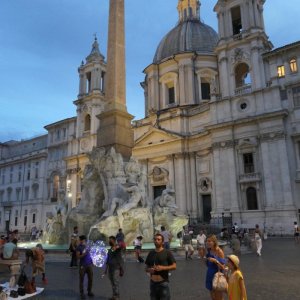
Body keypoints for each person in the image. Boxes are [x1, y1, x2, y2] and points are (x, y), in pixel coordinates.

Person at [145, 233, 177, 300]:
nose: (156, 241)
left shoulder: (167, 252)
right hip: (152, 283)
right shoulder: (151, 253)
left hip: (163, 283)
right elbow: (146, 267)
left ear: (162, 242)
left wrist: (163, 268)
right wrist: (149, 270)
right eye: (155, 239)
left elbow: (174, 266)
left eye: (158, 239)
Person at [205, 234, 226, 300]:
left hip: (217, 275)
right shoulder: (209, 250)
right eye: (207, 241)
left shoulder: (219, 251)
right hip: (210, 273)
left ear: (214, 242)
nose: (207, 242)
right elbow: (207, 263)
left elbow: (223, 267)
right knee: (212, 294)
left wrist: (215, 261)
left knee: (218, 296)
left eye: (209, 241)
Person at [103, 236, 124, 300]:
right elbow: (108, 260)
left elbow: (123, 245)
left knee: (115, 282)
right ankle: (114, 295)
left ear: (114, 241)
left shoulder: (117, 248)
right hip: (110, 269)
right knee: (112, 283)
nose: (109, 241)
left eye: (111, 240)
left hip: (116, 268)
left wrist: (118, 246)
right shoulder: (110, 250)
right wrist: (105, 270)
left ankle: (117, 296)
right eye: (109, 240)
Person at [76, 235, 94, 299]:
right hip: (82, 265)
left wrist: (92, 261)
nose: (81, 241)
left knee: (91, 279)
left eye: (83, 240)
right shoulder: (79, 247)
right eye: (81, 240)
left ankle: (89, 291)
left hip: (89, 265)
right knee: (81, 280)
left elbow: (90, 254)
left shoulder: (88, 246)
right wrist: (84, 254)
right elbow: (78, 257)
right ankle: (82, 293)